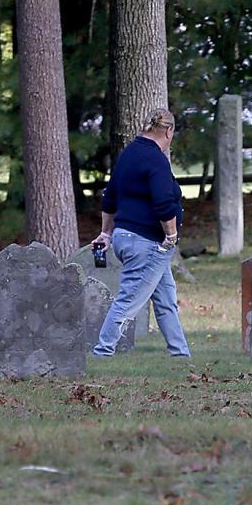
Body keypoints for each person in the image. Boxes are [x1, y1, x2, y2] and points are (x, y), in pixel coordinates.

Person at [90, 107, 191, 358]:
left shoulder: (128, 155)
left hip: (126, 237)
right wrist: (171, 236)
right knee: (129, 299)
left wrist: (106, 233)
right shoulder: (156, 159)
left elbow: (110, 198)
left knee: (166, 300)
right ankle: (102, 353)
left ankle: (180, 356)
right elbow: (163, 201)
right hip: (147, 243)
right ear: (168, 131)